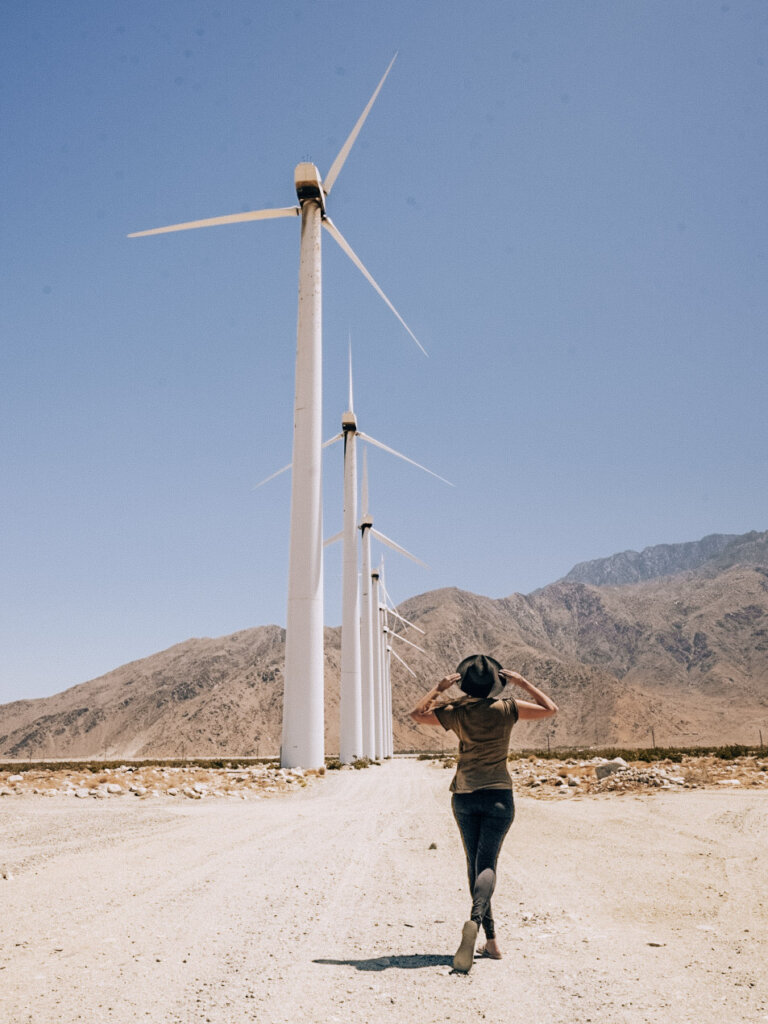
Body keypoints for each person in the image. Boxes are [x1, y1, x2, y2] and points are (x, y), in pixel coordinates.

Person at [410, 654, 558, 973]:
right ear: (496, 683)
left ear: (464, 683)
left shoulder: (455, 712)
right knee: (487, 866)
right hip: (499, 798)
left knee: (472, 864)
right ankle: (480, 928)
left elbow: (417, 715)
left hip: (464, 796)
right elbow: (551, 709)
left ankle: (489, 939)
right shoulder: (509, 708)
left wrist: (437, 689)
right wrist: (524, 684)